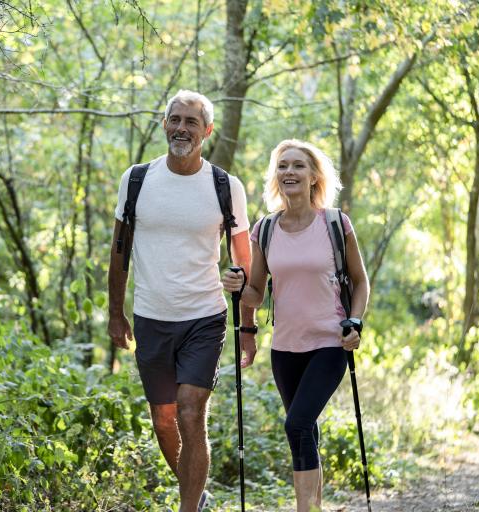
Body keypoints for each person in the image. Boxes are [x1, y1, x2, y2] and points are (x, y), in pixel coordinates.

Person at [107, 90, 258, 511]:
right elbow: (119, 251)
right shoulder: (137, 180)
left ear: (207, 131)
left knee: (191, 412)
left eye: (192, 122)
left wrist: (245, 310)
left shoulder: (226, 186)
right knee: (164, 420)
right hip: (151, 317)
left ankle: (187, 508)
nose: (181, 128)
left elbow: (244, 259)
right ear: (164, 124)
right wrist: (114, 312)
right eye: (175, 119)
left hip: (204, 317)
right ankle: (197, 491)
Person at [221, 139, 370, 512]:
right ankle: (314, 505)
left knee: (297, 423)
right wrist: (245, 320)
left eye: (298, 165)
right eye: (283, 166)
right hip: (285, 349)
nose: (289, 171)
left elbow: (361, 280)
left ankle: (304, 509)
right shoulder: (265, 229)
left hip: (329, 343)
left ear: (314, 176)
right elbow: (255, 293)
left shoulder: (335, 223)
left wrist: (355, 321)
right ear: (276, 176)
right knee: (304, 430)